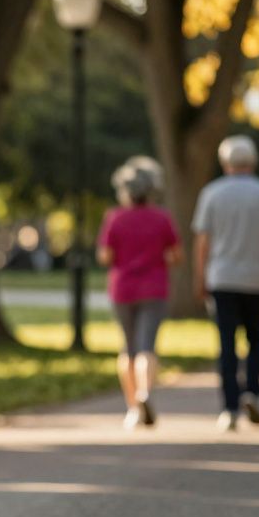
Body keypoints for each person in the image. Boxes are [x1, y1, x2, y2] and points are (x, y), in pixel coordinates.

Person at [192, 135, 259, 432]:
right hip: (257, 279)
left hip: (222, 277)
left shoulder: (211, 194)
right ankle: (253, 391)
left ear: (225, 163)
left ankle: (230, 407)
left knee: (226, 343)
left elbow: (203, 242)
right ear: (253, 162)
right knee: (256, 339)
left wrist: (200, 277)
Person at [97, 159, 182, 430]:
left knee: (128, 347)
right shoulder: (162, 217)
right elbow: (176, 254)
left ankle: (133, 406)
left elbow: (105, 255)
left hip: (123, 289)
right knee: (147, 346)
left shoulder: (115, 218)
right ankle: (146, 392)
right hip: (154, 287)